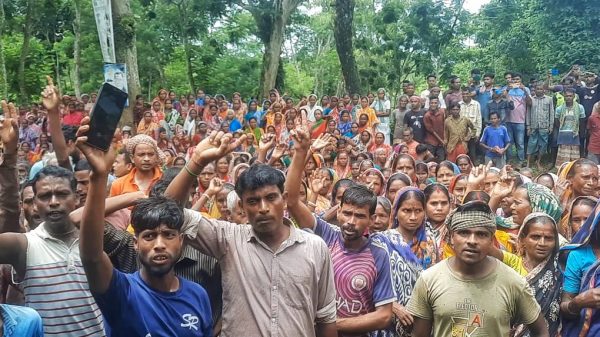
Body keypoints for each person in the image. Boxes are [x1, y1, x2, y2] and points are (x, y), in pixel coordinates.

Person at [164, 131, 338, 337]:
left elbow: (326, 318)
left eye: (271, 198)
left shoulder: (315, 247)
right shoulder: (227, 239)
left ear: (283, 199)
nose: (263, 208)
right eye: (253, 201)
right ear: (241, 205)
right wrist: (197, 161)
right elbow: (168, 211)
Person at [76, 120, 213, 336]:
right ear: (136, 243)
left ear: (182, 241)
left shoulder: (198, 295)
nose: (159, 244)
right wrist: (99, 176)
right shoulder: (122, 291)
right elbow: (92, 256)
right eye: (149, 236)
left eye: (168, 235)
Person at [287, 129, 395, 336]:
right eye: (347, 213)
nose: (351, 222)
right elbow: (291, 200)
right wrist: (302, 153)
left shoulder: (378, 254)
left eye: (359, 216)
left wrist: (333, 325)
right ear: (339, 211)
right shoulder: (326, 235)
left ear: (371, 220)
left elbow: (383, 315)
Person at [407, 201, 549, 337]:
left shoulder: (513, 281)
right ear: (451, 237)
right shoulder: (429, 279)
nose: (472, 241)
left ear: (492, 240)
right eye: (464, 233)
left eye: (481, 234)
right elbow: (419, 334)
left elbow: (541, 331)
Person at [560, 199, 600, 337]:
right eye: (577, 220)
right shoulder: (578, 255)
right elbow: (566, 305)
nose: (582, 225)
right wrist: (580, 301)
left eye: (587, 219)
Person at [555, 88, 586, 167]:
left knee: (574, 157)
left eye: (570, 96)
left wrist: (580, 133)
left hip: (574, 134)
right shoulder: (559, 109)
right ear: (564, 97)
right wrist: (564, 130)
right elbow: (556, 121)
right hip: (563, 134)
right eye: (566, 96)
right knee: (563, 156)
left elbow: (582, 121)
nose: (568, 98)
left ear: (574, 96)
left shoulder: (580, 107)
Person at [526, 84, 554, 169]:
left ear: (544, 90)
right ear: (535, 90)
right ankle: (528, 163)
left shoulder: (549, 99)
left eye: (540, 89)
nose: (539, 90)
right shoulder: (531, 99)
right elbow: (528, 113)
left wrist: (551, 126)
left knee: (543, 145)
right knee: (531, 144)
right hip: (533, 126)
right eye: (537, 89)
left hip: (544, 126)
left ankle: (538, 162)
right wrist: (528, 126)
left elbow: (551, 113)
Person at [506, 73, 531, 165]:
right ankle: (510, 160)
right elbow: (501, 99)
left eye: (518, 80)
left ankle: (521, 160)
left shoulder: (526, 89)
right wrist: (507, 90)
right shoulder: (507, 89)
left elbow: (530, 103)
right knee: (509, 143)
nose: (516, 82)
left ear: (521, 81)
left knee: (520, 143)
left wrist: (524, 90)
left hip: (520, 120)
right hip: (508, 120)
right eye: (514, 80)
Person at [459, 87, 482, 161]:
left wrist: (478, 134)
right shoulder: (459, 104)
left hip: (472, 134)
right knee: (462, 153)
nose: (465, 95)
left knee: (472, 154)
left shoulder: (476, 104)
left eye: (467, 94)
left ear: (470, 94)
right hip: (461, 134)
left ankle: (473, 168)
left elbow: (479, 119)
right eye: (463, 94)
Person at [423, 96, 446, 161]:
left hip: (441, 142)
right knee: (430, 159)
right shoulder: (427, 115)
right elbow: (431, 131)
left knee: (441, 159)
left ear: (438, 103)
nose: (433, 104)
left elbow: (445, 125)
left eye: (435, 103)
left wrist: (444, 139)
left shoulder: (442, 112)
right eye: (432, 103)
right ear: (429, 103)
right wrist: (441, 141)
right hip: (431, 142)